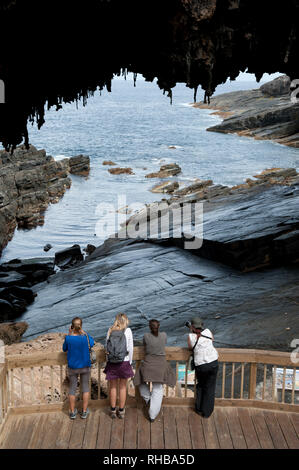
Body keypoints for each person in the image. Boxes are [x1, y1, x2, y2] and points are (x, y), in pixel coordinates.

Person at [133, 319, 176, 422]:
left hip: (148, 364)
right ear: (159, 326)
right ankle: (152, 414)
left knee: (139, 381)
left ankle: (148, 400)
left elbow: (145, 345)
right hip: (161, 366)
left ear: (149, 327)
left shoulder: (146, 336)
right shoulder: (164, 335)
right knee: (157, 388)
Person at [62, 317, 95, 420]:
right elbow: (92, 342)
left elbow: (64, 349)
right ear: (81, 326)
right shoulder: (85, 337)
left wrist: (69, 333)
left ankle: (72, 412)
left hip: (73, 367)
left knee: (72, 389)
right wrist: (83, 332)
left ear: (72, 326)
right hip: (85, 366)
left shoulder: (68, 338)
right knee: (85, 388)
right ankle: (84, 412)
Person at [104, 313, 134, 419]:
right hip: (124, 362)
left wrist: (109, 361)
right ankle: (121, 411)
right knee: (122, 387)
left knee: (112, 387)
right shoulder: (128, 331)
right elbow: (130, 349)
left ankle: (112, 410)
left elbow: (106, 348)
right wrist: (129, 362)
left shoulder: (110, 330)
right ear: (126, 320)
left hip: (112, 362)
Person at [187, 317, 218, 418]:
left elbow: (190, 347)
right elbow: (212, 339)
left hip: (201, 365)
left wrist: (192, 332)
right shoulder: (208, 332)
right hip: (213, 362)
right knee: (210, 387)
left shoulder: (191, 337)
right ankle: (207, 412)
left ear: (192, 326)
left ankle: (199, 408)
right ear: (202, 325)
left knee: (200, 385)